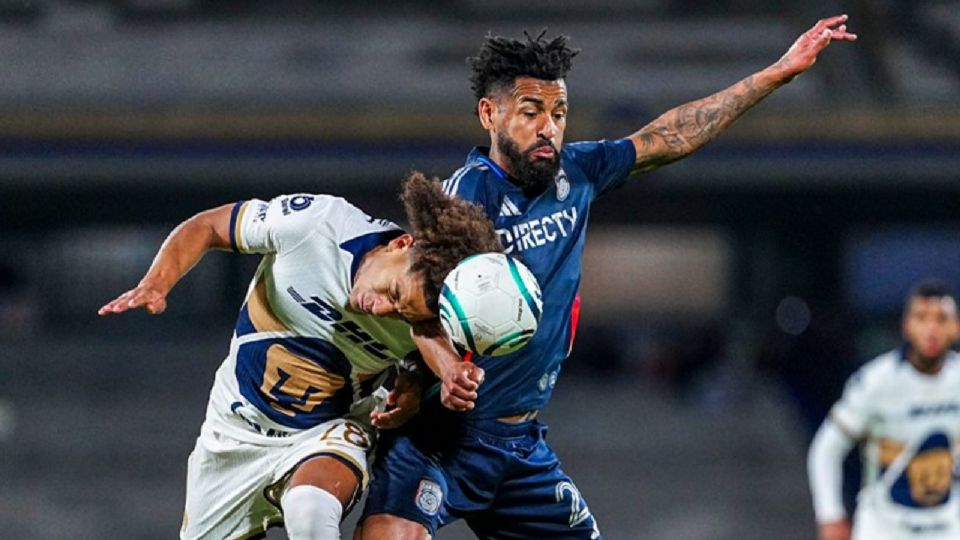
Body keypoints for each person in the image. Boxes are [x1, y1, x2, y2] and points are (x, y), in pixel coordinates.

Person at [358, 16, 857, 540]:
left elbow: (672, 135)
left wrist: (777, 73)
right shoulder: (465, 200)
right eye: (530, 112)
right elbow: (415, 309)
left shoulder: (578, 172)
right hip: (441, 436)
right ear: (489, 113)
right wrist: (444, 368)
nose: (548, 127)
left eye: (559, 113)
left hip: (520, 444)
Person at [98, 173, 502, 540]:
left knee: (310, 513)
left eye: (401, 313)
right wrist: (157, 282)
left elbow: (424, 339)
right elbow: (208, 226)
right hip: (233, 432)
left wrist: (425, 376)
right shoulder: (316, 226)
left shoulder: (426, 317)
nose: (381, 309)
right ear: (401, 244)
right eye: (392, 293)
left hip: (326, 432)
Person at [808, 281, 960, 540]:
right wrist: (830, 514)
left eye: (941, 319)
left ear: (956, 327)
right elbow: (827, 448)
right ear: (906, 325)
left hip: (946, 528)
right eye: (922, 318)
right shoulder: (877, 381)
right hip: (885, 530)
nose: (931, 329)